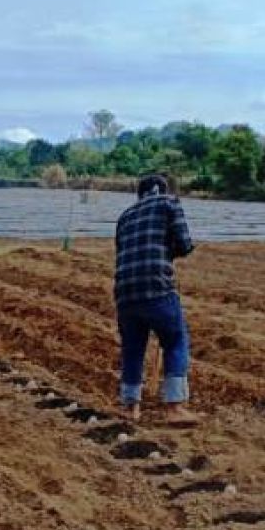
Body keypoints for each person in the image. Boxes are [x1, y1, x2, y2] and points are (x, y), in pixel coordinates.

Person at [113, 173, 198, 427]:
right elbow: (184, 244)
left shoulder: (125, 216)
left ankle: (130, 407)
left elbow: (122, 251)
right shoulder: (169, 203)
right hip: (157, 287)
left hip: (125, 292)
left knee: (132, 348)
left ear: (140, 193)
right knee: (175, 340)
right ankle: (175, 407)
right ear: (163, 189)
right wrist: (170, 250)